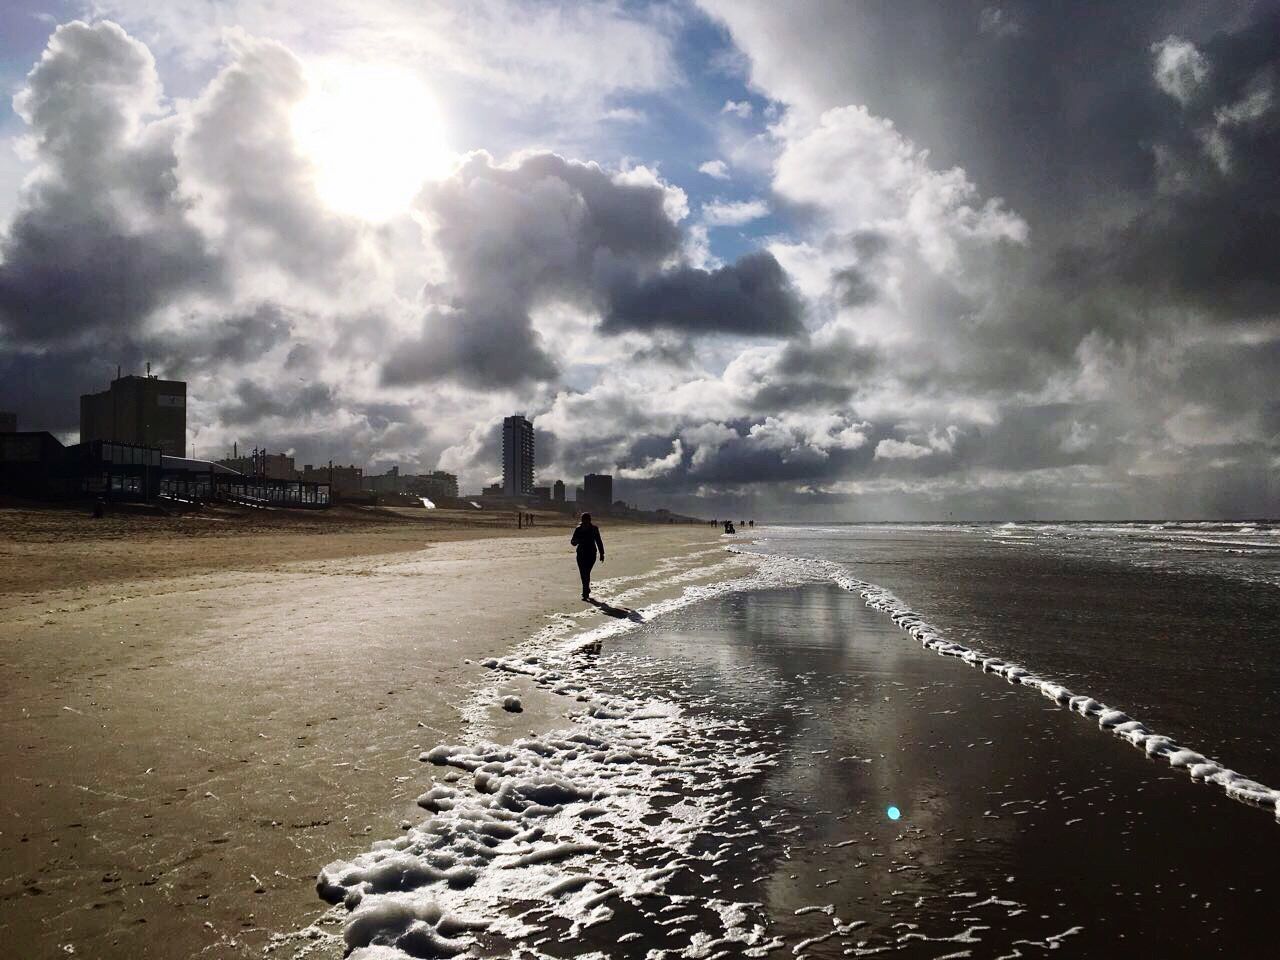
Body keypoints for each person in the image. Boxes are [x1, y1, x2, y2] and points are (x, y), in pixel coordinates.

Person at [571, 512, 605, 601]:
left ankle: (585, 591)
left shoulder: (594, 529)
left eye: (585, 519)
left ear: (589, 520)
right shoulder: (578, 529)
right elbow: (573, 542)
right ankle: (586, 591)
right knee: (583, 573)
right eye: (583, 520)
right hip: (581, 554)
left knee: (586, 572)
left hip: (591, 554)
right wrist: (576, 541)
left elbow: (598, 541)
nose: (584, 521)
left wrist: (602, 553)